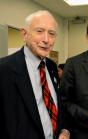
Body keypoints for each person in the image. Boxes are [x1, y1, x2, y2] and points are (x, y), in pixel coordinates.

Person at [0, 10, 69, 139]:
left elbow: (56, 106)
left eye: (52, 33)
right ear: (24, 34)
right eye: (39, 31)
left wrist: (64, 130)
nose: (46, 39)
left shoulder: (51, 66)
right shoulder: (4, 69)